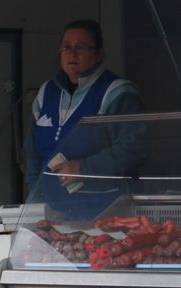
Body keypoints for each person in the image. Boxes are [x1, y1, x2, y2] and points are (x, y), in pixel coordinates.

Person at [24, 19, 149, 220]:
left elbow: (133, 149)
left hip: (107, 212)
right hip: (53, 213)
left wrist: (83, 168)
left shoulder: (117, 92)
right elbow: (31, 153)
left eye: (80, 47)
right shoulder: (46, 92)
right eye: (66, 47)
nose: (72, 54)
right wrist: (35, 199)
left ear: (98, 55)